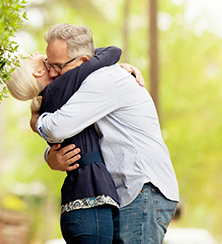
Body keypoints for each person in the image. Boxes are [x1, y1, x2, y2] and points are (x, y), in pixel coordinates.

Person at [33, 23, 179, 243]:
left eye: (57, 66)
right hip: (131, 193)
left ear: (82, 61)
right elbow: (78, 135)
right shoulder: (93, 77)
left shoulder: (102, 81)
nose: (53, 73)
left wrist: (36, 119)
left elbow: (57, 128)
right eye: (48, 64)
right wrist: (51, 156)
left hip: (143, 190)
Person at [7, 46, 140, 243]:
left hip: (81, 207)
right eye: (28, 58)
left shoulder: (54, 99)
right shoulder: (59, 89)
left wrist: (107, 72)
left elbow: (91, 70)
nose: (33, 53)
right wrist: (108, 69)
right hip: (89, 205)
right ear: (38, 72)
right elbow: (112, 52)